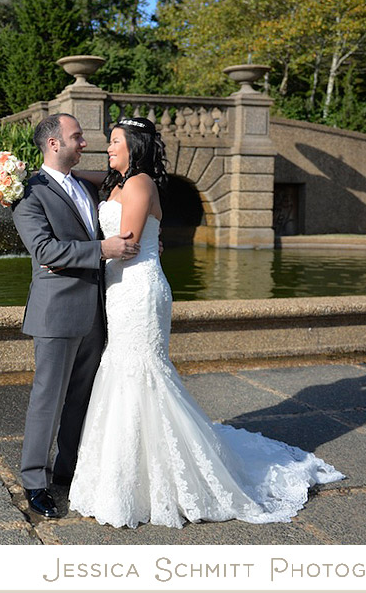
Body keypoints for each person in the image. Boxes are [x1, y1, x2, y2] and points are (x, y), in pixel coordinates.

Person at [67, 117, 345, 528]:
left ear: (134, 148)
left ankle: (165, 479)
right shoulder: (121, 181)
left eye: (114, 142)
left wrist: (68, 255)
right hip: (119, 291)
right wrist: (58, 173)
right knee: (123, 371)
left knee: (142, 373)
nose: (107, 149)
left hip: (139, 291)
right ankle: (126, 474)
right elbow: (90, 178)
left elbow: (125, 244)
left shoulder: (140, 183)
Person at [10, 113, 140, 519]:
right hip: (57, 313)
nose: (85, 143)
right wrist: (104, 249)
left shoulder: (86, 185)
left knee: (82, 399)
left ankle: (68, 471)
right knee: (47, 400)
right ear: (53, 144)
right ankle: (34, 481)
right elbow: (46, 252)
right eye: (77, 137)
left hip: (97, 312)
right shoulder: (27, 193)